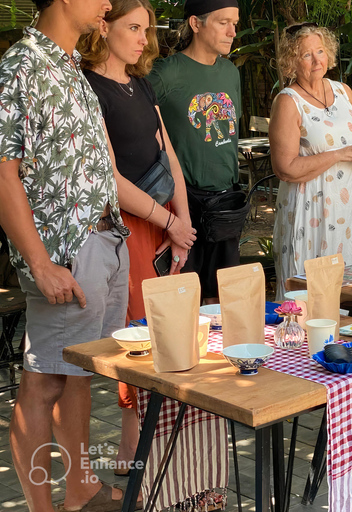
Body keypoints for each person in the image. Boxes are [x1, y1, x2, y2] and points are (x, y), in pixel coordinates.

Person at [0, 0, 141, 509]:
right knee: (43, 383)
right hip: (64, 251)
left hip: (104, 239)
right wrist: (39, 262)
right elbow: (2, 170)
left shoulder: (68, 64)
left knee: (77, 373)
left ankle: (80, 490)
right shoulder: (21, 66)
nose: (107, 1)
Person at [77, 0, 195, 476]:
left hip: (167, 221)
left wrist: (182, 221)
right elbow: (110, 178)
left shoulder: (141, 84)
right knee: (138, 333)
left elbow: (170, 158)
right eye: (134, 27)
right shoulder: (90, 87)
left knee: (170, 328)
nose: (144, 39)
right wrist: (168, 224)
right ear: (103, 27)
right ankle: (131, 449)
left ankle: (162, 439)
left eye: (146, 29)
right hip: (128, 225)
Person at [270, 23, 352, 298]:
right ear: (291, 61)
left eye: (320, 51)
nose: (317, 59)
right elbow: (285, 169)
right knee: (313, 297)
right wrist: (340, 155)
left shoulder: (344, 91)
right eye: (306, 54)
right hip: (312, 212)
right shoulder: (288, 102)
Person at [147, 0, 241, 302]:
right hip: (183, 205)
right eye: (223, 22)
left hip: (225, 203)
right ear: (195, 24)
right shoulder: (165, 73)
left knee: (223, 301)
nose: (232, 31)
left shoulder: (230, 73)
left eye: (235, 23)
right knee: (183, 300)